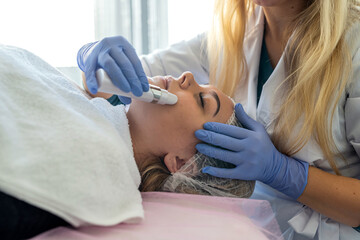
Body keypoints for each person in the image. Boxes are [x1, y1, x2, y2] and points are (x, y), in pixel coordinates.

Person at [77, 0, 360, 239]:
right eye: (203, 97)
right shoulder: (233, 33)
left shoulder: (354, 44)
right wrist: (93, 56)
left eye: (203, 99)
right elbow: (115, 81)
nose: (187, 78)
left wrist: (283, 172)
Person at [0, 44, 250, 239]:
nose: (187, 77)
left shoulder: (98, 173)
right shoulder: (97, 115)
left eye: (202, 100)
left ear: (182, 163)